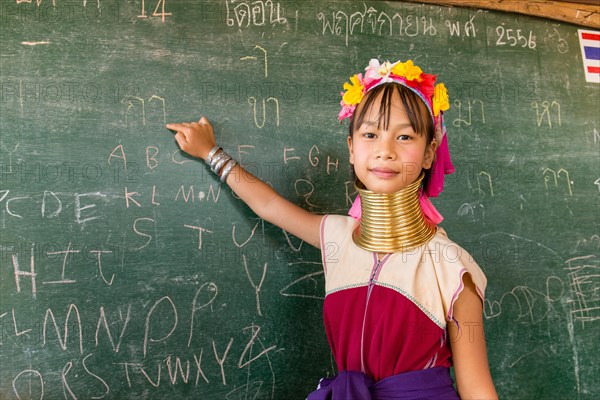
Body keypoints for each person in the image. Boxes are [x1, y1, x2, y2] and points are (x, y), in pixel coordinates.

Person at [166, 58, 498, 399]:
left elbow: (477, 389)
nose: (385, 151)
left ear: (429, 153)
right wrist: (211, 153)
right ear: (352, 149)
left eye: (404, 136)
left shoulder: (453, 268)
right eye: (370, 134)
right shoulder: (338, 238)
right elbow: (267, 205)